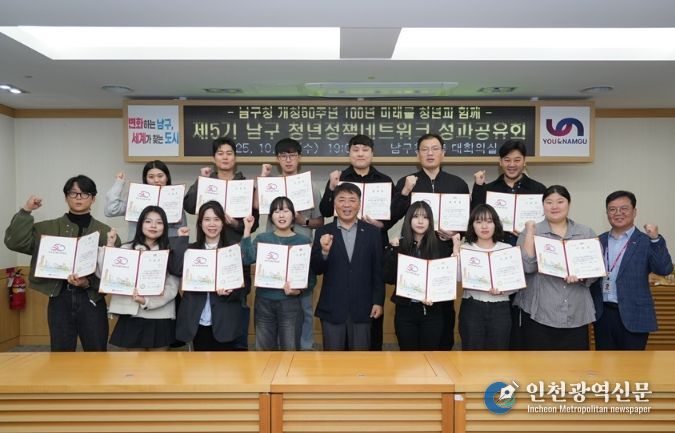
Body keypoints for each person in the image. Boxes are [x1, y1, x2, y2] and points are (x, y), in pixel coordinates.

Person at [4, 175, 119, 352]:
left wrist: (88, 283)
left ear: (93, 198)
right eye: (73, 193)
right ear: (66, 197)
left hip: (92, 299)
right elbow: (15, 242)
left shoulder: (105, 232)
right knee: (61, 352)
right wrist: (26, 211)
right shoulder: (47, 229)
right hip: (59, 296)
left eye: (84, 194)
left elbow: (112, 275)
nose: (78, 198)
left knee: (97, 351)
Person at [318, 134, 401, 351]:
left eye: (365, 150)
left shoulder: (385, 180)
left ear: (372, 153)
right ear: (349, 153)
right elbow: (325, 211)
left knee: (370, 336)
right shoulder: (339, 178)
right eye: (356, 150)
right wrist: (331, 187)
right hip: (339, 241)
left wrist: (382, 225)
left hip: (373, 240)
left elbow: (393, 213)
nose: (360, 154)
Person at [392, 133, 470, 350]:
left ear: (443, 153)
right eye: (424, 149)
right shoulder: (407, 181)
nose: (430, 153)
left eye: (435, 149)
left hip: (443, 256)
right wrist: (405, 192)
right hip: (413, 256)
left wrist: (455, 234)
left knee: (443, 317)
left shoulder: (458, 184)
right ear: (417, 154)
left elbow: (468, 224)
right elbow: (393, 216)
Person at [469, 140, 547, 350]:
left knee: (523, 317)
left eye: (517, 160)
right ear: (500, 162)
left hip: (528, 262)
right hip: (495, 264)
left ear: (524, 162)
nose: (512, 164)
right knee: (499, 318)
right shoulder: (489, 189)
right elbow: (475, 218)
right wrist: (478, 188)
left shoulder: (539, 190)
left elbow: (545, 226)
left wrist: (528, 232)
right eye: (507, 160)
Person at [183, 137, 259, 350]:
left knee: (236, 306)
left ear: (235, 157)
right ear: (214, 157)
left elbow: (253, 224)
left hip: (235, 255)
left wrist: (234, 223)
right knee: (205, 303)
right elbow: (189, 205)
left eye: (229, 153)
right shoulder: (207, 181)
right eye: (220, 153)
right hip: (206, 251)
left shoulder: (245, 185)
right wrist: (201, 181)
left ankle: (236, 349)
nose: (225, 157)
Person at [259, 138, 324, 350]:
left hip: (301, 253)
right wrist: (263, 178)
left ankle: (305, 348)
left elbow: (320, 221)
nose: (288, 160)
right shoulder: (270, 185)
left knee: (304, 306)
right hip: (273, 255)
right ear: (277, 159)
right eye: (283, 156)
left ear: (299, 157)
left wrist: (302, 221)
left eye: (292, 155)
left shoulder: (311, 186)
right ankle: (280, 352)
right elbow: (254, 207)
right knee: (275, 306)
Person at [515, 185, 598, 350]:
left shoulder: (585, 232)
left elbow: (595, 269)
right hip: (539, 313)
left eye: (560, 201)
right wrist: (530, 231)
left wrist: (582, 276)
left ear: (569, 204)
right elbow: (527, 266)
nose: (554, 206)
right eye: (549, 202)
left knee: (576, 364)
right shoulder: (531, 231)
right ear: (543, 205)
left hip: (576, 312)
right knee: (538, 363)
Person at [591, 190, 673, 350]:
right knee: (604, 362)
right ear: (607, 213)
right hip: (603, 315)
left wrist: (655, 239)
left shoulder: (646, 241)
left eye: (624, 208)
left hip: (635, 314)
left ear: (634, 212)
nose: (618, 213)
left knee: (634, 364)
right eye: (612, 209)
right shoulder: (598, 241)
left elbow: (664, 269)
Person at [311, 183, 384, 351]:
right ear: (334, 204)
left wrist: (378, 302)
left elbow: (377, 271)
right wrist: (324, 252)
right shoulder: (323, 232)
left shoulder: (372, 232)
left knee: (360, 359)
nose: (346, 205)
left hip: (364, 307)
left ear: (359, 204)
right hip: (332, 307)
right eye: (341, 200)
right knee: (333, 360)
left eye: (352, 200)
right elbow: (316, 268)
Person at [103, 206, 186, 351]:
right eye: (148, 221)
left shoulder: (171, 251)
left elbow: (172, 288)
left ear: (165, 227)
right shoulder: (126, 249)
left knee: (158, 364)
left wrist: (146, 301)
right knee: (133, 364)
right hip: (131, 315)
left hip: (160, 315)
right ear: (140, 224)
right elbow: (107, 275)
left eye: (159, 222)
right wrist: (110, 246)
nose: (153, 226)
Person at [241, 197, 316, 350]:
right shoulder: (263, 238)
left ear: (293, 215)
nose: (281, 215)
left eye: (286, 211)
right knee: (264, 350)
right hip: (264, 302)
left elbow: (311, 277)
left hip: (290, 303)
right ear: (271, 217)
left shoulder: (303, 241)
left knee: (290, 350)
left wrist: (299, 290)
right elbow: (247, 259)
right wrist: (247, 230)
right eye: (276, 211)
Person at [173, 201, 247, 351]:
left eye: (216, 219)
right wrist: (181, 240)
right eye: (207, 219)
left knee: (225, 364)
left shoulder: (233, 249)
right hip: (197, 320)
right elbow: (176, 269)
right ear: (200, 223)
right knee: (199, 364)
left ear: (223, 223)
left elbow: (246, 286)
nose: (212, 224)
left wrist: (231, 291)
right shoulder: (191, 249)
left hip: (225, 321)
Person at [383, 201, 451, 350]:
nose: (420, 221)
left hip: (433, 312)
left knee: (430, 356)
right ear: (409, 219)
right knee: (408, 356)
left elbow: (445, 280)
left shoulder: (441, 246)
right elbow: (388, 278)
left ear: (430, 221)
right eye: (416, 217)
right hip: (405, 311)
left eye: (425, 217)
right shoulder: (399, 245)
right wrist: (393, 251)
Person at [458, 204, 513, 350]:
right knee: (471, 352)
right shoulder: (465, 249)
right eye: (479, 222)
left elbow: (516, 283)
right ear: (472, 225)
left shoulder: (507, 249)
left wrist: (503, 290)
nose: (484, 226)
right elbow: (457, 278)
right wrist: (456, 253)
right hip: (472, 307)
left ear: (495, 224)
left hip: (500, 308)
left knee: (499, 354)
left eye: (489, 221)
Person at [104, 160, 188, 240]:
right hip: (138, 245)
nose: (156, 180)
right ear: (145, 179)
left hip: (166, 246)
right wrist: (119, 183)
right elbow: (111, 210)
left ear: (167, 177)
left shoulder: (175, 196)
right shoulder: (136, 195)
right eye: (151, 177)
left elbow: (181, 228)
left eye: (160, 176)